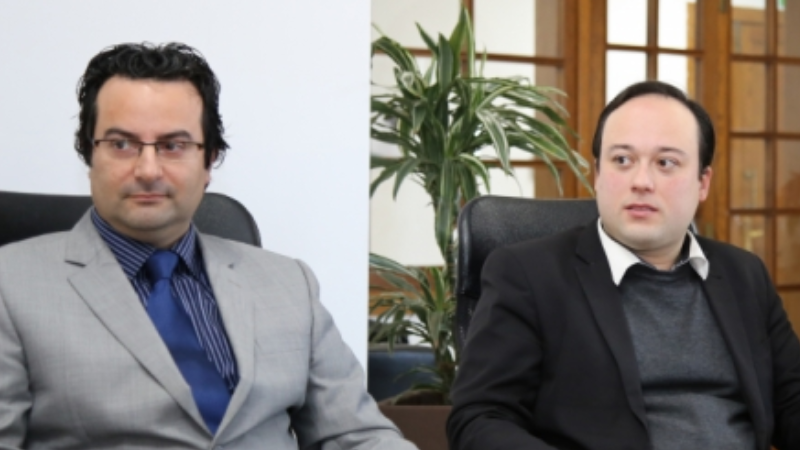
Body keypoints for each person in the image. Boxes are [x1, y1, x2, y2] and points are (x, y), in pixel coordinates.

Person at [0, 42, 417, 450]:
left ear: (209, 160)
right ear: (89, 155)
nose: (148, 170)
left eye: (173, 146)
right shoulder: (11, 287)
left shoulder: (290, 284)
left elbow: (356, 435)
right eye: (122, 144)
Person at [447, 80, 800, 450]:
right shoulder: (529, 275)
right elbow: (479, 419)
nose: (641, 181)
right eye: (622, 161)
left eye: (666, 163)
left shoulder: (744, 274)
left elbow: (792, 401)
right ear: (598, 174)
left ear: (703, 182)